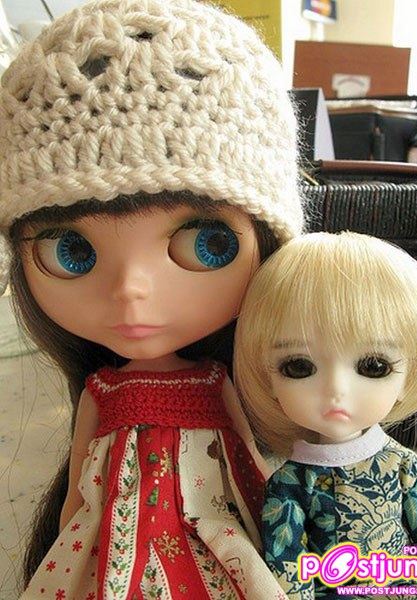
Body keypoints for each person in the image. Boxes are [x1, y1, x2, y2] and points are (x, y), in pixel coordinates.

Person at [0, 0, 304, 597]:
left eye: (207, 243)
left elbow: (246, 458)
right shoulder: (103, 391)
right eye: (71, 251)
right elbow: (79, 484)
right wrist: (69, 538)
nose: (130, 291)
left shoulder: (218, 382)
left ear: (269, 244)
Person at [234, 232, 417, 599]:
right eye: (298, 367)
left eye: (374, 366)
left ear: (408, 376)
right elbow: (288, 564)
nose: (336, 390)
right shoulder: (290, 483)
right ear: (267, 377)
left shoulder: (401, 464)